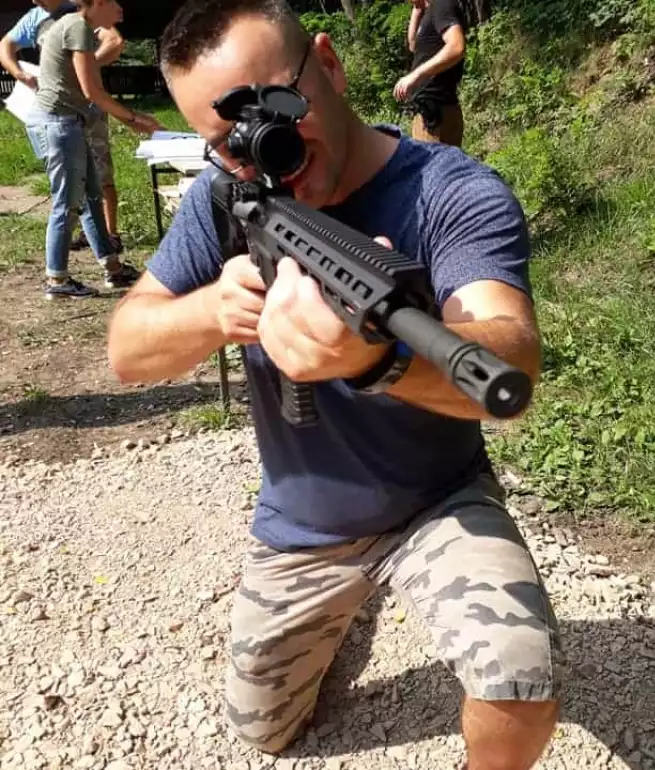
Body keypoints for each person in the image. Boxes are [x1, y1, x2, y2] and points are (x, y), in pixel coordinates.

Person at [107, 1, 563, 768]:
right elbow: (126, 349)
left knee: (518, 674)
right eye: (228, 140)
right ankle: (341, 614)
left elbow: (509, 354)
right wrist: (217, 309)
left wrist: (375, 358)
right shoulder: (227, 196)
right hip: (304, 524)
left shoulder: (449, 190)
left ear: (329, 62)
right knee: (263, 733)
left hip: (436, 500)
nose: (266, 149)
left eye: (277, 108)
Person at [24, 0, 160, 299]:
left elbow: (90, 88)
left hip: (68, 122)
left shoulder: (78, 26)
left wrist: (130, 120)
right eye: (114, 2)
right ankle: (57, 281)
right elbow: (92, 91)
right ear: (97, 2)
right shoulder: (77, 27)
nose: (121, 8)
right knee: (67, 202)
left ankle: (113, 268)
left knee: (91, 196)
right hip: (57, 125)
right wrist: (136, 119)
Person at [0, 0, 126, 252]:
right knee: (71, 179)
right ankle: (84, 239)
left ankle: (111, 236)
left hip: (89, 108)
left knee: (100, 174)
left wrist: (84, 66)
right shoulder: (34, 17)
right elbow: (5, 45)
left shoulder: (81, 13)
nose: (36, 0)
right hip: (56, 114)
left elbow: (115, 42)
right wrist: (18, 73)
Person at [393, 0, 467, 147]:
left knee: (434, 169)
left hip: (435, 114)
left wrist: (415, 76)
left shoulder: (442, 5)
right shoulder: (430, 11)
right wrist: (416, 9)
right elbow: (414, 45)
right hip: (429, 112)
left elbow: (457, 47)